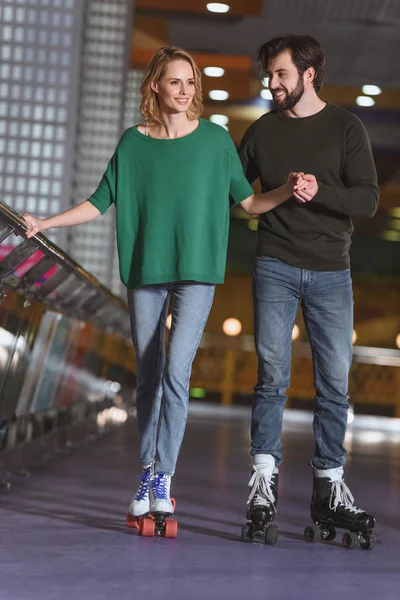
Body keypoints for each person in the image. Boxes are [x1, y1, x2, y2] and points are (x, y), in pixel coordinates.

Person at [22, 46, 308, 534]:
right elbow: (98, 202)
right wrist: (43, 223)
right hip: (146, 270)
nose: (185, 91)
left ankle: (162, 479)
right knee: (151, 373)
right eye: (175, 82)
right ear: (155, 85)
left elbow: (250, 203)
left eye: (191, 83)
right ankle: (147, 473)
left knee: (178, 371)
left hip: (197, 271)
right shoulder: (133, 143)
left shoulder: (217, 142)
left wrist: (286, 189)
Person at [238, 34, 378, 545]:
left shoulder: (346, 127)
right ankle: (262, 485)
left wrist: (321, 191)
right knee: (271, 378)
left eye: (279, 75)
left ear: (308, 74)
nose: (271, 83)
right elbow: (236, 192)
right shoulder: (261, 132)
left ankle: (329, 487)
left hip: (331, 271)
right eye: (269, 75)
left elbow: (367, 200)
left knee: (334, 385)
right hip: (274, 263)